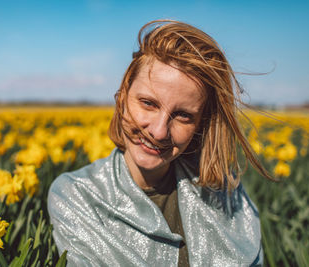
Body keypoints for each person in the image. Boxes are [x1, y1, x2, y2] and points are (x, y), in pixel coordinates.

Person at [48, 20, 269, 266]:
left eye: (183, 115)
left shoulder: (224, 192)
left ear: (201, 125)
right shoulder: (77, 195)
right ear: (122, 99)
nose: (159, 131)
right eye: (148, 103)